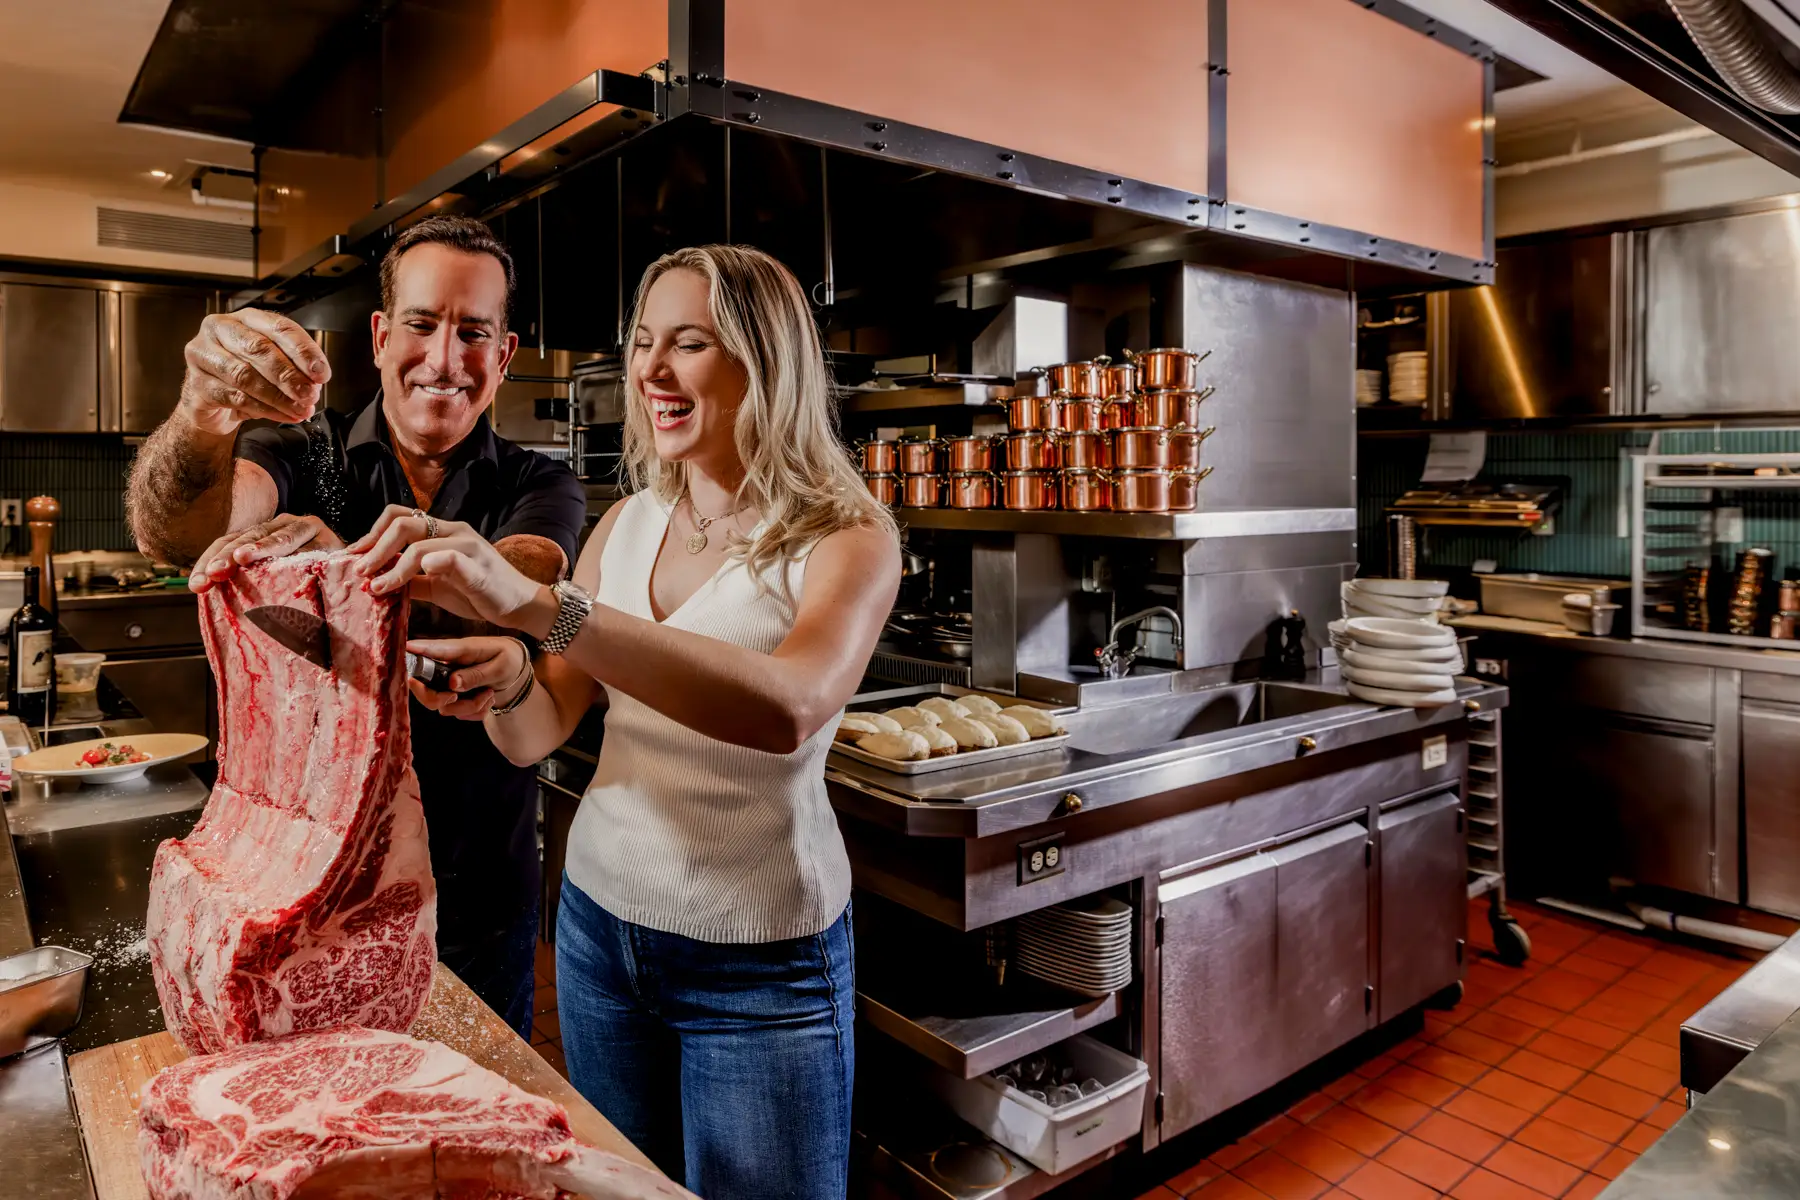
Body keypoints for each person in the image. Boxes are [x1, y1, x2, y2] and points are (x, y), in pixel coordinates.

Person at [347, 244, 900, 1198]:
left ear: (763, 359)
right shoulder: (629, 522)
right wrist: (506, 686)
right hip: (599, 933)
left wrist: (540, 611)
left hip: (757, 964)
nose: (651, 371)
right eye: (644, 342)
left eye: (688, 343)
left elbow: (790, 706)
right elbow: (541, 728)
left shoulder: (845, 536)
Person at [124, 215, 586, 1039]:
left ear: (504, 354)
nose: (443, 359)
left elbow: (517, 581)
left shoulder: (540, 483)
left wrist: (342, 569)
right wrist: (200, 414)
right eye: (421, 324)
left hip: (479, 889)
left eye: (473, 332)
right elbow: (181, 535)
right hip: (303, 894)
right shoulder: (305, 448)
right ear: (379, 337)